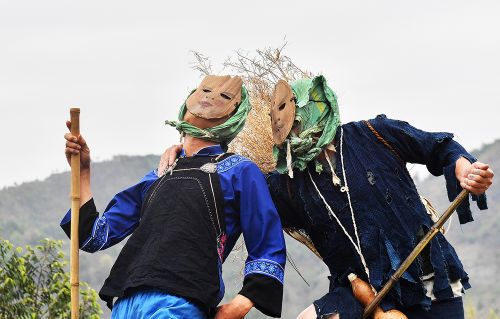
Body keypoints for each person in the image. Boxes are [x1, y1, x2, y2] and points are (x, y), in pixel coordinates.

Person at [160, 75, 494, 319]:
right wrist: (187, 152)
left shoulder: (375, 133)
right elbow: (237, 200)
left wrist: (465, 171)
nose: (297, 129)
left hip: (428, 277)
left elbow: (441, 148)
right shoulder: (285, 183)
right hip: (356, 293)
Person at [61, 75, 286, 319]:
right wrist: (83, 170)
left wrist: (238, 306)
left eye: (224, 97)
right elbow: (93, 236)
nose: (210, 98)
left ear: (234, 118)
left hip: (180, 303)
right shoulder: (158, 174)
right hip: (125, 304)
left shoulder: (240, 171)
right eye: (205, 90)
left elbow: (267, 244)